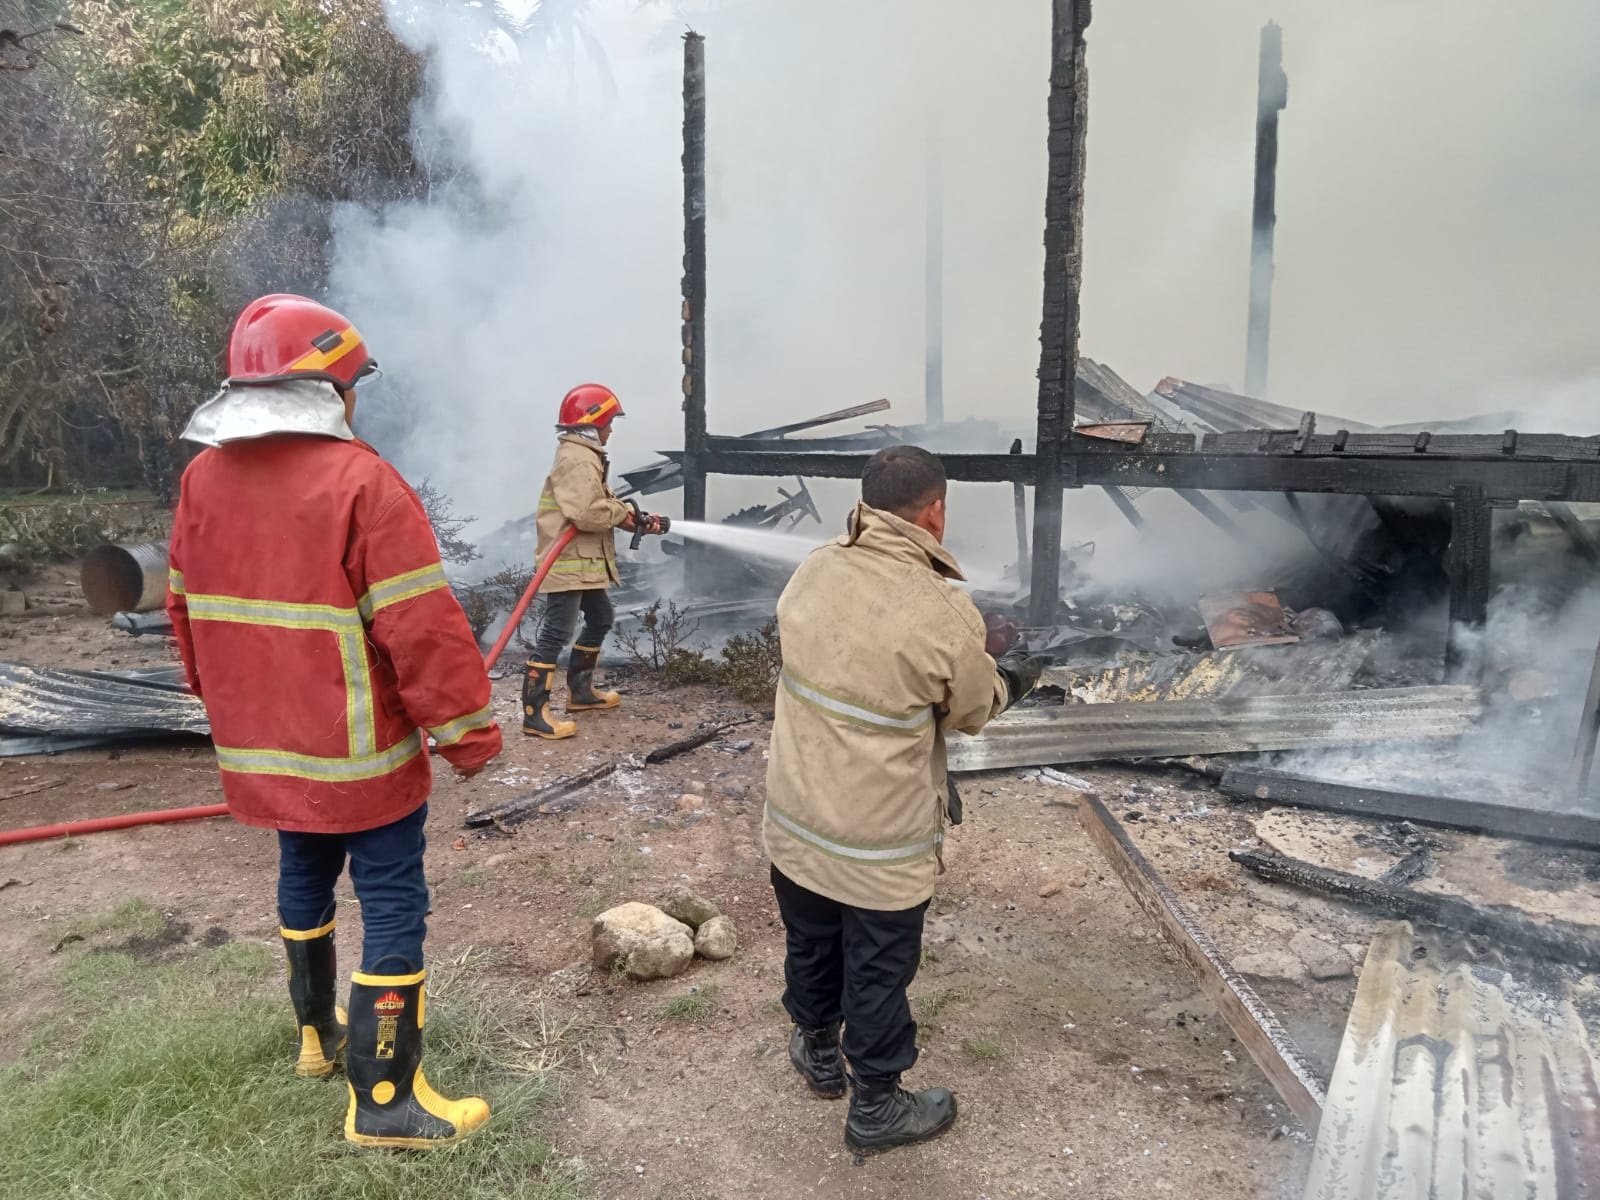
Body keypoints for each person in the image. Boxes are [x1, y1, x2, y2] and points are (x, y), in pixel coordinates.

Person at [166, 293, 503, 1148]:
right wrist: (466, 730)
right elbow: (420, 625)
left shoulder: (202, 478)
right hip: (357, 755)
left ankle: (316, 1037)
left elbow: (184, 613)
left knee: (303, 869)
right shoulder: (362, 483)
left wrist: (227, 707)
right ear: (331, 388)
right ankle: (386, 1095)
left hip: (262, 747)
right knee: (392, 900)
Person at [762, 444, 1046, 1155]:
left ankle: (818, 1052)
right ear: (936, 512)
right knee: (879, 968)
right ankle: (878, 1107)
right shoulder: (941, 607)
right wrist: (1013, 676)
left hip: (797, 819)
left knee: (813, 941)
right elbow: (972, 710)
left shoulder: (815, 568)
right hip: (877, 841)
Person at [523, 383, 665, 739]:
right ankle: (534, 714)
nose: (611, 429)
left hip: (583, 562)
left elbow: (600, 505)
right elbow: (587, 512)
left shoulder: (587, 455)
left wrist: (635, 519)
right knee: (556, 634)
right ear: (591, 422)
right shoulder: (576, 458)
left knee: (601, 617)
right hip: (567, 562)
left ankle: (581, 693)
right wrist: (621, 514)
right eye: (608, 421)